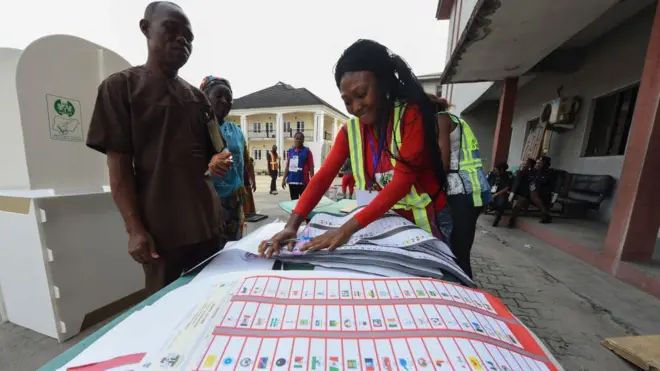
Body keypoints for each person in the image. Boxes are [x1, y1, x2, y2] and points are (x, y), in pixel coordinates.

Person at [86, 1, 232, 294]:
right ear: (145, 29)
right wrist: (134, 229)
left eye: (188, 37)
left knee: (209, 298)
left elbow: (217, 150)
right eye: (171, 30)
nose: (182, 40)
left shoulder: (198, 100)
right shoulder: (120, 89)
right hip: (161, 232)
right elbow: (119, 169)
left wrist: (219, 160)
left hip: (207, 224)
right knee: (163, 307)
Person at [259, 39, 451, 259]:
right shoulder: (350, 131)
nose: (356, 107)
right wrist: (293, 224)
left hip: (429, 220)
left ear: (383, 84)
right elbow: (323, 177)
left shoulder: (410, 116)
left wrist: (344, 230)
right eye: (347, 101)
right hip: (389, 222)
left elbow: (401, 184)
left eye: (361, 95)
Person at [429, 93, 491, 278]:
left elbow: (443, 162)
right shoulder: (456, 120)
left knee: (458, 253)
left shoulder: (440, 119)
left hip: (462, 191)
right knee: (460, 249)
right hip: (473, 190)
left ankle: (467, 296)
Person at [200, 76, 248, 241]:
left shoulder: (236, 131)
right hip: (206, 202)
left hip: (234, 201)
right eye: (218, 96)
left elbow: (243, 163)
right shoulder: (195, 129)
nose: (224, 101)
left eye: (228, 98)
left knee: (233, 246)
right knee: (211, 250)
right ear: (204, 98)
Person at [282, 132, 315, 200]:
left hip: (303, 181)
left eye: (300, 139)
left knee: (304, 201)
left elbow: (311, 167)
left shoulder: (307, 151)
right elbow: (287, 166)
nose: (298, 140)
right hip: (292, 180)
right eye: (297, 138)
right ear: (294, 139)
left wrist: (313, 181)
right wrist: (283, 179)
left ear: (303, 140)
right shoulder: (290, 151)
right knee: (294, 201)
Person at [509, 158, 537, 227]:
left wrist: (512, 192)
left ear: (529, 164)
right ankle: (512, 218)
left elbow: (517, 183)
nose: (522, 163)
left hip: (525, 193)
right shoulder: (521, 171)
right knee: (519, 202)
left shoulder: (523, 172)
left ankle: (512, 219)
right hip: (522, 192)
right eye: (523, 162)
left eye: (525, 163)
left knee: (519, 203)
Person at [490, 162, 513, 227]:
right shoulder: (495, 175)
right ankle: (494, 208)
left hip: (503, 193)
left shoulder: (508, 176)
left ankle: (498, 218)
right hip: (494, 191)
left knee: (501, 203)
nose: (495, 171)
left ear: (502, 169)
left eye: (497, 169)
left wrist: (496, 194)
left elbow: (507, 188)